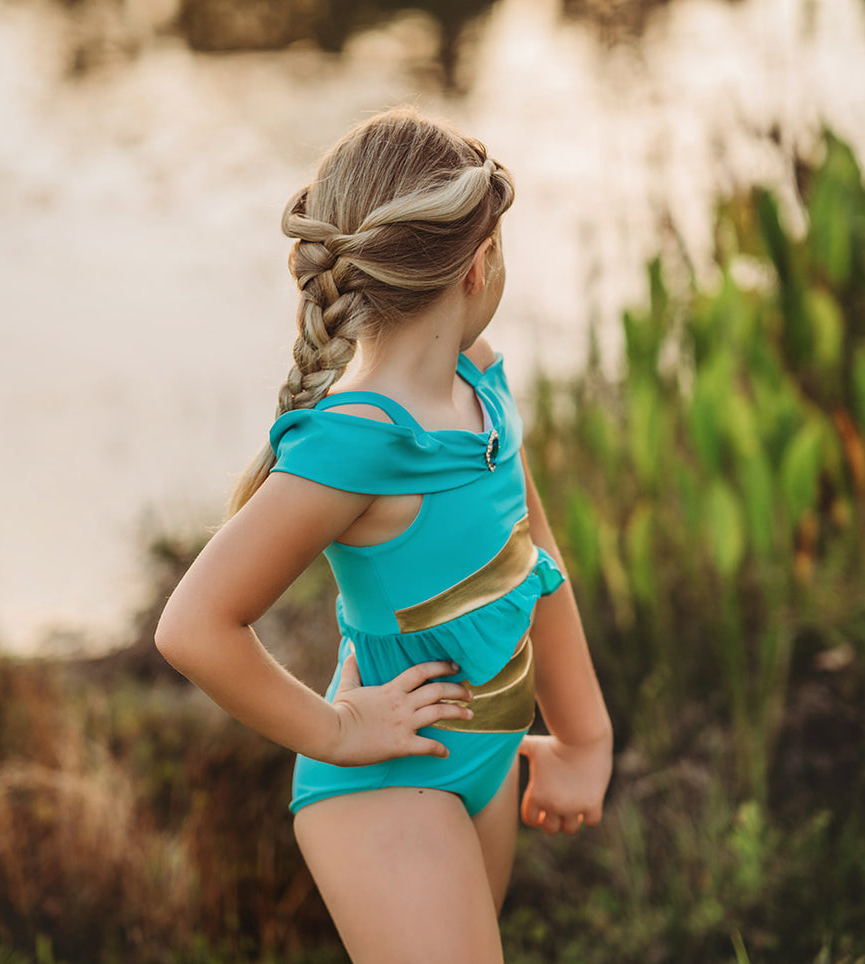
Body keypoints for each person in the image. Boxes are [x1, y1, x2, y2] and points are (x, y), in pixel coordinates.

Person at [154, 106, 612, 963]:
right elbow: (192, 626)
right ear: (480, 266)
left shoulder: (479, 385)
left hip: (484, 754)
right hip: (382, 782)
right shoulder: (357, 443)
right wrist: (333, 731)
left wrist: (583, 736)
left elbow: (532, 563)